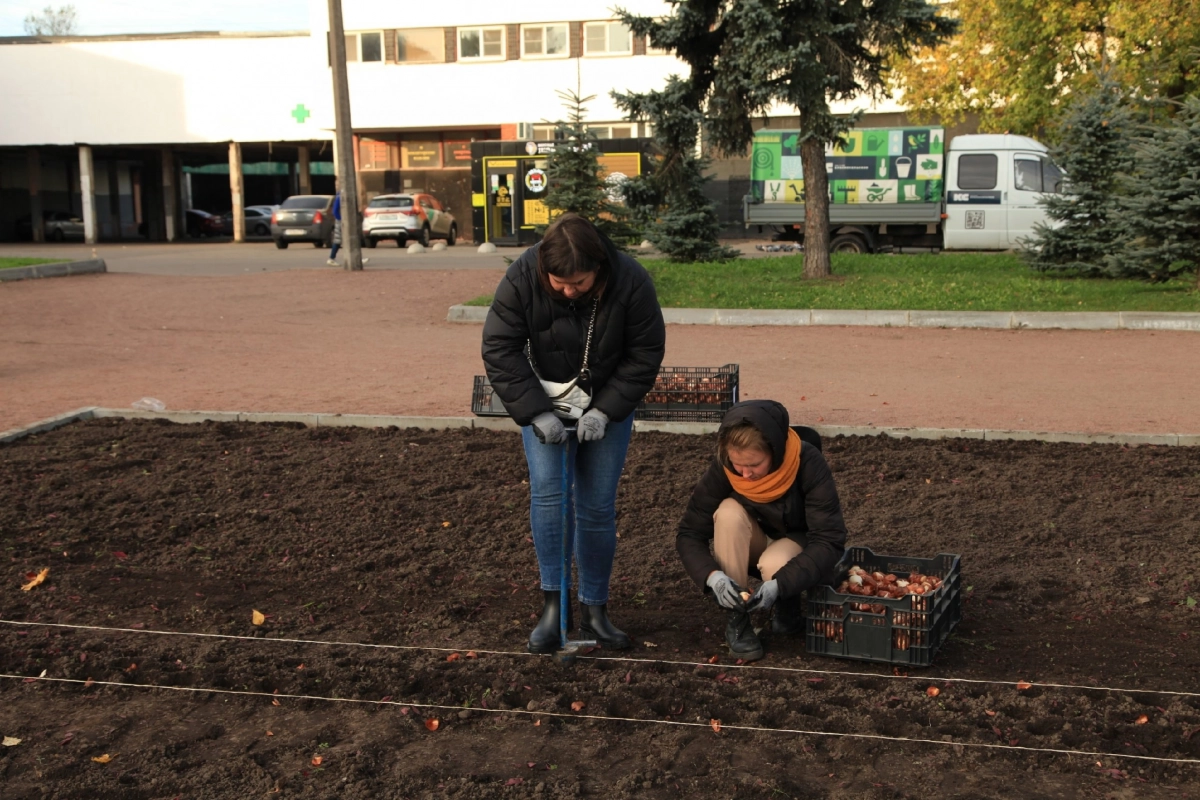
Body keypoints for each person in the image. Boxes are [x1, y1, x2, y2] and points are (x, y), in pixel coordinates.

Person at [482, 213, 665, 654]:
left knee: (596, 507)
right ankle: (553, 606)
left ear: (598, 268)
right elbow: (499, 346)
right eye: (559, 283)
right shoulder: (523, 275)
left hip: (606, 406)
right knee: (548, 496)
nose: (568, 290)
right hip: (545, 404)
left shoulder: (631, 281)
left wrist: (604, 411)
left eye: (578, 283)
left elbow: (645, 353)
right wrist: (534, 413)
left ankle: (595, 609)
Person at [676, 400, 847, 661]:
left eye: (754, 464)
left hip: (796, 543)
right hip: (753, 539)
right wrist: (713, 577)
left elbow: (829, 539)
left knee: (775, 562)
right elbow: (690, 533)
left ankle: (786, 607)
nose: (745, 474)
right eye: (738, 465)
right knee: (728, 512)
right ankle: (737, 617)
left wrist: (782, 584)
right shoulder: (725, 469)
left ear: (774, 451)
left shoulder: (807, 461)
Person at [326, 192, 342, 266]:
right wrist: (340, 219)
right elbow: (335, 210)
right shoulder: (340, 196)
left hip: (342, 221)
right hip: (341, 222)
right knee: (338, 240)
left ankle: (331, 258)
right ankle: (331, 258)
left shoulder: (340, 195)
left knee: (341, 240)